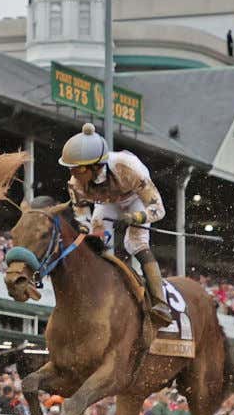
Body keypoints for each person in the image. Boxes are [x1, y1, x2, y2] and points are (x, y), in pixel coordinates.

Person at [60, 122, 174, 327]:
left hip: (136, 200)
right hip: (108, 203)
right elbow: (82, 216)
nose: (73, 175)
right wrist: (88, 233)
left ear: (94, 166)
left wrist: (135, 218)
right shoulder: (75, 184)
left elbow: (159, 209)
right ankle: (101, 289)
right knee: (97, 236)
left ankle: (160, 302)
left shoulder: (128, 167)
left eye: (77, 169)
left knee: (135, 242)